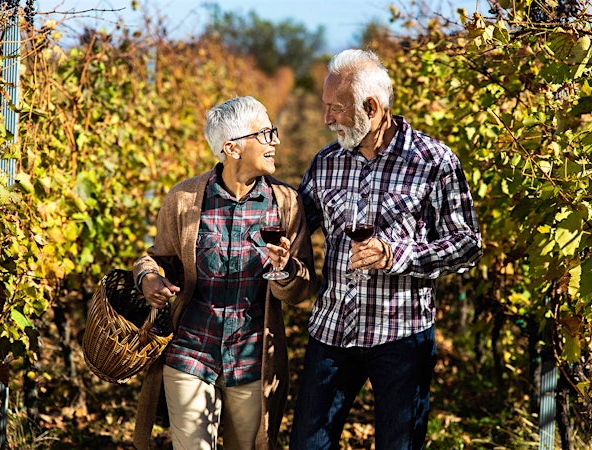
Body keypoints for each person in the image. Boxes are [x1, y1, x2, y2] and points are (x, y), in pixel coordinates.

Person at [291, 49, 483, 449]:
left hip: (401, 336)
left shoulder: (434, 162)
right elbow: (296, 223)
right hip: (332, 331)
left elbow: (467, 244)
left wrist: (397, 255)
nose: (327, 120)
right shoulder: (326, 163)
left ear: (372, 107)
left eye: (335, 109)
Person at [132, 96, 316, 450]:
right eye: (264, 133)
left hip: (251, 358)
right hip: (190, 351)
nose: (274, 141)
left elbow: (300, 291)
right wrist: (148, 278)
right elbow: (156, 259)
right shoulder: (184, 199)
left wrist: (285, 269)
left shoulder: (285, 204)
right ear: (231, 148)